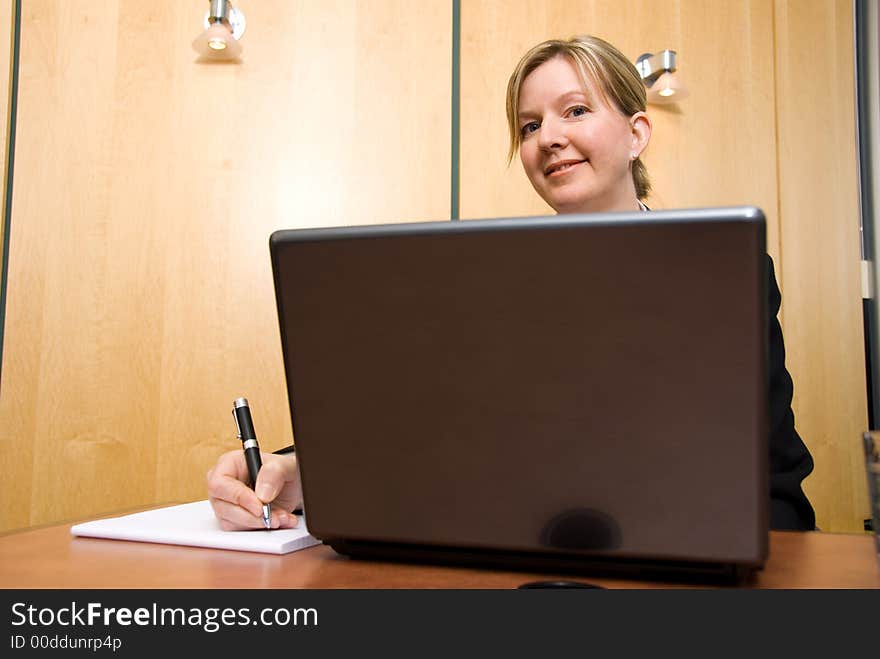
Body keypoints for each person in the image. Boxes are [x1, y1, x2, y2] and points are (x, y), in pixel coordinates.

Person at [207, 34, 816, 532]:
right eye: (528, 126)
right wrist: (303, 473)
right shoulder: (488, 283)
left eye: (575, 110)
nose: (548, 137)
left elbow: (776, 484)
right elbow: (416, 435)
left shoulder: (720, 271)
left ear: (637, 134)